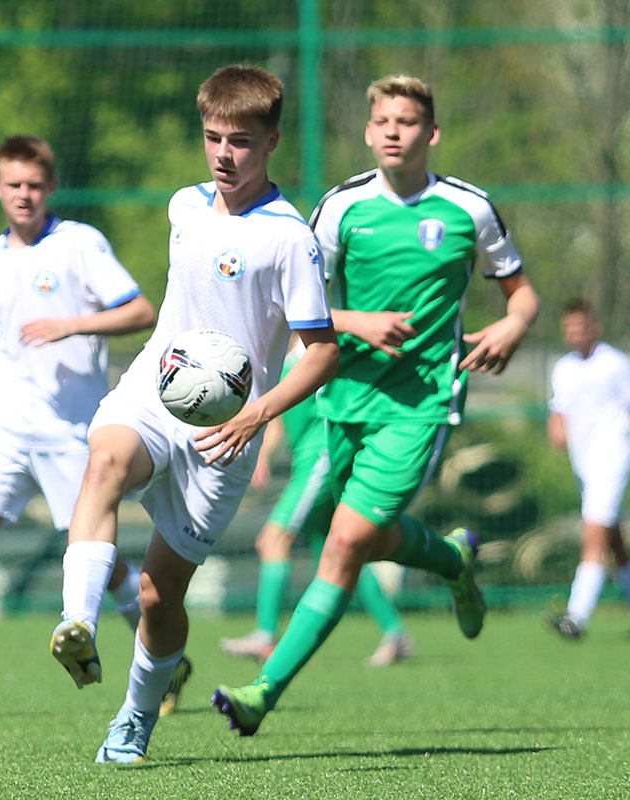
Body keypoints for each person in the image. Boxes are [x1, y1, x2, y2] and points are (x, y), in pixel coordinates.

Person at [212, 73, 540, 737]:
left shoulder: (467, 209)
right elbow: (290, 303)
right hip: (341, 397)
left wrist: (513, 325)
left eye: (408, 122)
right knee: (355, 539)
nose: (394, 131)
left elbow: (522, 294)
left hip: (421, 404)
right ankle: (452, 560)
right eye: (383, 121)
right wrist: (357, 323)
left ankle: (261, 694)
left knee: (346, 541)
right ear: (368, 132)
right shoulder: (340, 208)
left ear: (432, 133)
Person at [47, 64, 339, 764]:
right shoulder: (184, 206)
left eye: (240, 140)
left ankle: (134, 719)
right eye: (212, 138)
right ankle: (78, 623)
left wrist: (256, 417)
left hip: (227, 433)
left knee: (157, 594)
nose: (223, 154)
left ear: (271, 140)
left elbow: (322, 351)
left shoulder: (289, 238)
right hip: (156, 389)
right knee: (106, 461)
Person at [0, 135, 157, 720]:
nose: (24, 195)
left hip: (72, 428)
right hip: (6, 423)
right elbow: (5, 341)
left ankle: (163, 655)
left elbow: (142, 311)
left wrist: (73, 325)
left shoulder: (80, 244)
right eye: (13, 185)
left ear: (50, 189)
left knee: (100, 558)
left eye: (34, 185)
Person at [219, 337, 414, 667]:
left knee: (272, 540)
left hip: (322, 458)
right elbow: (279, 420)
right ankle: (395, 634)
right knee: (340, 551)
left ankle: (266, 636)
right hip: (305, 462)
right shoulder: (278, 355)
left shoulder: (320, 348)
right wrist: (264, 455)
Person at [543, 298, 630, 639]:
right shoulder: (563, 368)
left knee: (592, 536)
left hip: (613, 459)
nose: (575, 334)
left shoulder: (614, 363)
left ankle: (575, 618)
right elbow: (559, 409)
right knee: (615, 542)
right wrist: (555, 428)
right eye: (569, 329)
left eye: (580, 327)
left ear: (593, 327)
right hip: (584, 465)